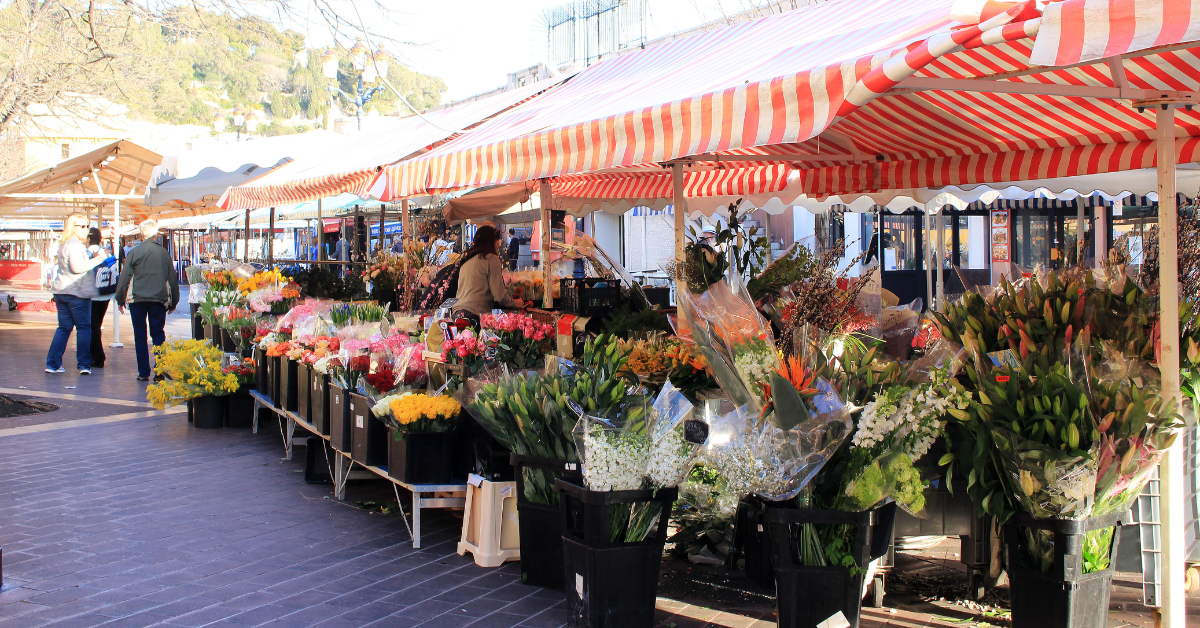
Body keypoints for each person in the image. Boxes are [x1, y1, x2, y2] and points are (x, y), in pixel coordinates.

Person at [115, 220, 180, 382]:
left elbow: (125, 277)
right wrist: (174, 301)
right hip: (158, 298)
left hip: (137, 298)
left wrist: (120, 298)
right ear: (156, 234)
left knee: (140, 334)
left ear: (141, 234)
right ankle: (160, 371)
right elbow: (172, 278)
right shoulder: (163, 253)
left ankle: (143, 372)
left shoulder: (134, 252)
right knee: (158, 333)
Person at [45, 214, 110, 375]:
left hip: (63, 291)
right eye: (82, 226)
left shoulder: (65, 244)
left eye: (87, 226)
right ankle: (84, 364)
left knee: (64, 328)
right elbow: (77, 268)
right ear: (72, 227)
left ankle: (53, 364)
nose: (86, 230)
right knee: (83, 328)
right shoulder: (75, 245)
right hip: (76, 293)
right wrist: (98, 259)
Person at [453, 225, 525, 320]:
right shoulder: (491, 259)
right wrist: (514, 303)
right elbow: (499, 295)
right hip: (473, 315)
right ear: (492, 242)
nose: (498, 244)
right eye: (497, 241)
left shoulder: (467, 260)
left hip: (457, 314)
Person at [87, 228, 115, 368]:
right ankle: (97, 355)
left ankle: (98, 357)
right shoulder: (104, 252)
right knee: (96, 325)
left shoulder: (87, 252)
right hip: (105, 294)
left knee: (93, 327)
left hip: (91, 295)